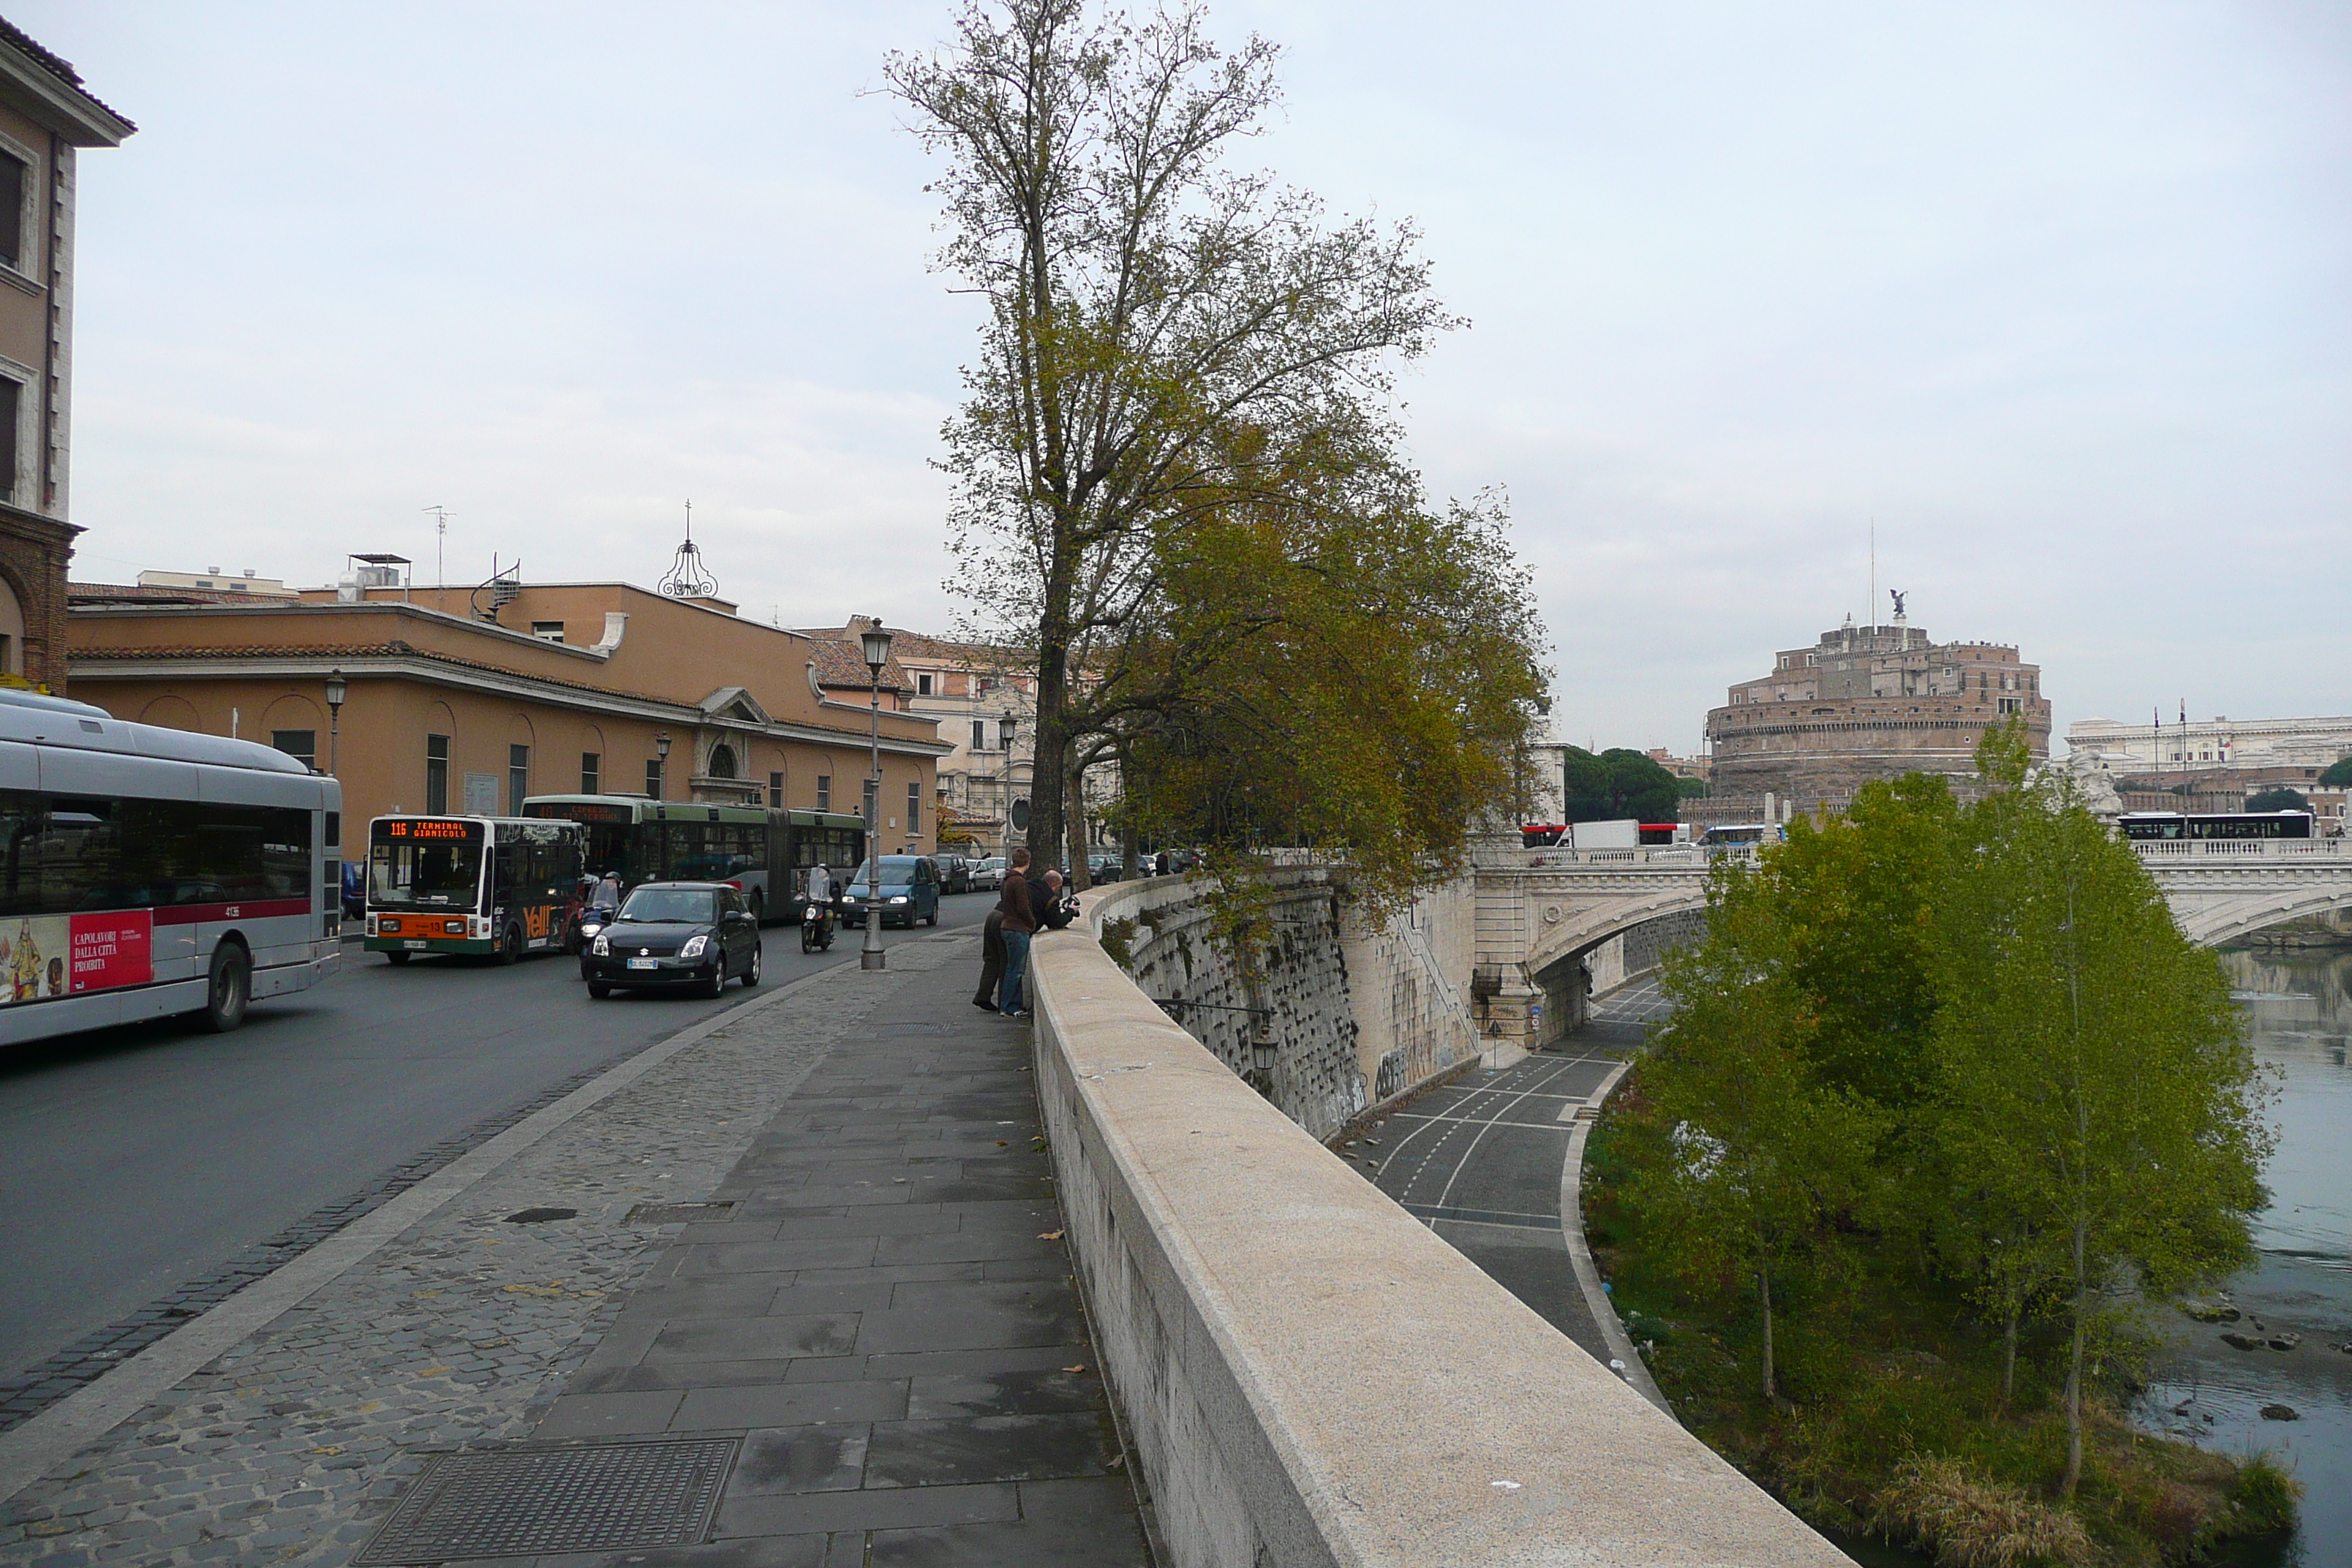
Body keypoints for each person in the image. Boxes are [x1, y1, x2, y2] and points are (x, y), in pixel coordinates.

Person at [996, 847, 1036, 1014]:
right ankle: (1008, 1007)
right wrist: (1032, 922)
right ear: (1028, 862)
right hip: (1017, 929)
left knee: (1012, 968)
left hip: (1007, 926)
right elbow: (1023, 907)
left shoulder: (1007, 880)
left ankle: (1014, 1005)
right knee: (1016, 970)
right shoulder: (1019, 882)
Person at [973, 905, 1006, 1013]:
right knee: (1006, 964)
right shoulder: (1044, 892)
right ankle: (1004, 1003)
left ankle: (983, 996)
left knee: (991, 961)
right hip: (1004, 920)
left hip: (994, 914)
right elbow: (1054, 921)